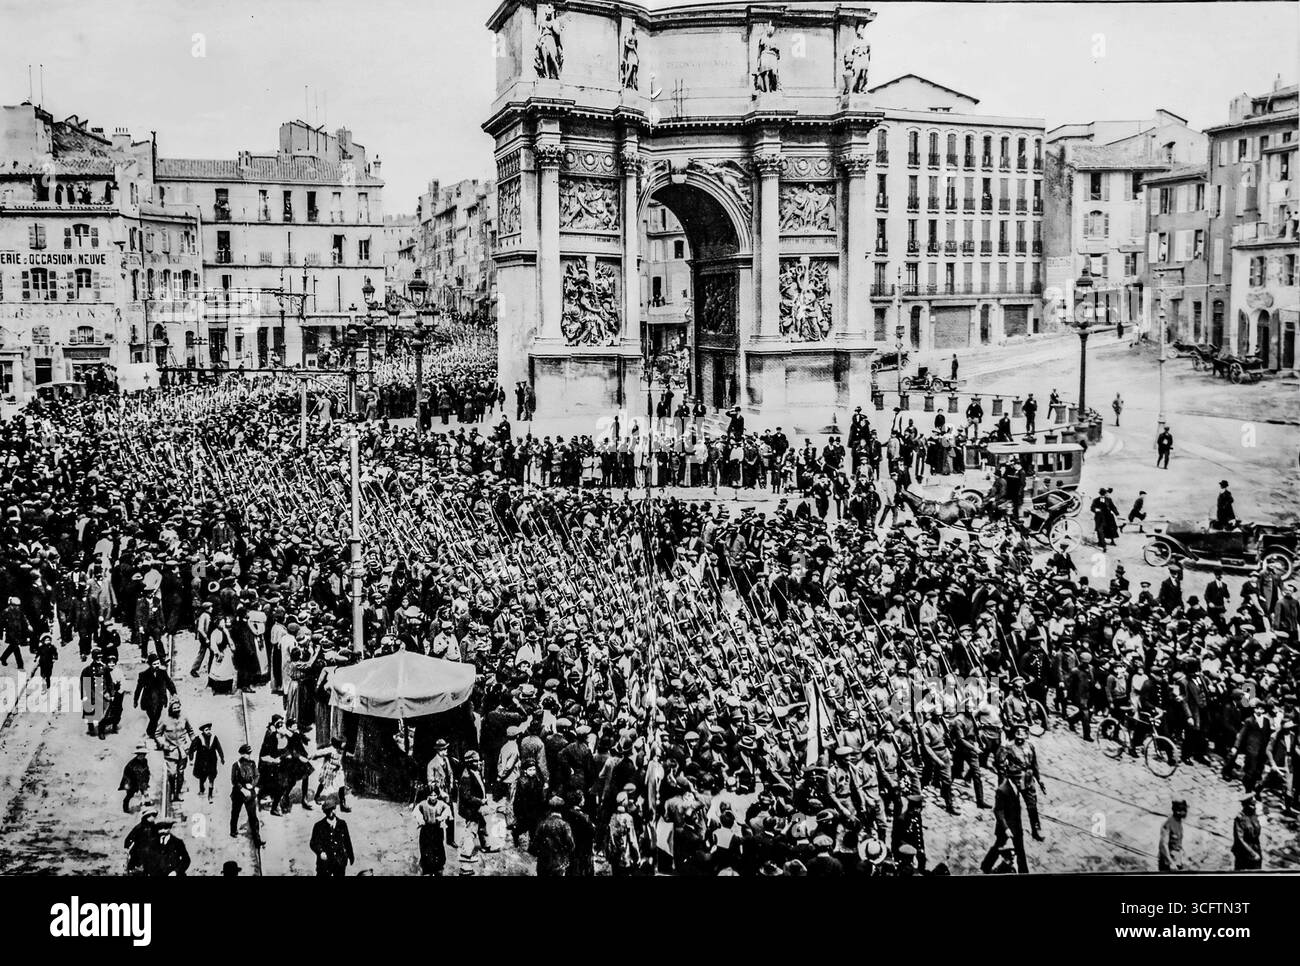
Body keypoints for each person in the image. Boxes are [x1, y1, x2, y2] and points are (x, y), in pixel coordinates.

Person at [980, 777, 1028, 874]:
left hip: (1017, 825)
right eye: (1019, 778)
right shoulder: (1002, 789)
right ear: (1012, 777)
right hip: (1005, 826)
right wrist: (1006, 828)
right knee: (999, 845)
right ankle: (986, 866)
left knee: (1020, 850)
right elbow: (998, 810)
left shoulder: (1017, 784)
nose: (1021, 780)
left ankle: (1024, 872)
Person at [413, 789, 454, 876]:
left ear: (437, 796)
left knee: (437, 848)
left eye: (435, 795)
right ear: (428, 796)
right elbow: (416, 811)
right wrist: (420, 820)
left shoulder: (440, 803)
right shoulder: (423, 804)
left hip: (437, 829)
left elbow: (448, 809)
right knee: (426, 848)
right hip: (426, 829)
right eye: (431, 795)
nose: (433, 798)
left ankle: (437, 868)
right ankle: (427, 869)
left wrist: (442, 817)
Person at [310, 799, 355, 876]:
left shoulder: (342, 824)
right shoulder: (319, 826)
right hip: (325, 863)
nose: (332, 812)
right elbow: (313, 843)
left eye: (333, 809)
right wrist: (320, 852)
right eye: (329, 810)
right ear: (325, 812)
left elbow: (347, 841)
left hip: (340, 861)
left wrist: (350, 856)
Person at [532, 797, 575, 876]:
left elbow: (534, 845)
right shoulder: (565, 825)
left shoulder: (543, 824)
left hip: (543, 864)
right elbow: (571, 845)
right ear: (562, 810)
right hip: (559, 864)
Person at [230, 742, 262, 848]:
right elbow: (234, 780)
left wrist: (252, 785)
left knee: (253, 817)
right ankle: (233, 831)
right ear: (242, 754)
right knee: (235, 813)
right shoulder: (236, 765)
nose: (249, 755)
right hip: (238, 794)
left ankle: (257, 840)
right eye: (247, 754)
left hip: (250, 794)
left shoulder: (252, 763)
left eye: (249, 753)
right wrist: (242, 789)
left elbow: (257, 775)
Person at [189, 722, 224, 802]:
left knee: (212, 778)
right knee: (202, 777)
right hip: (202, 762)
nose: (208, 731)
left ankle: (210, 795)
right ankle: (202, 789)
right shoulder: (198, 739)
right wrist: (191, 759)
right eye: (206, 730)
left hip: (212, 761)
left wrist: (222, 757)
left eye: (209, 729)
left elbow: (219, 748)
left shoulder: (214, 738)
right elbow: (191, 749)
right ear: (203, 731)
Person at [1231, 796, 1262, 870]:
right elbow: (1239, 839)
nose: (1254, 807)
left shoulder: (1254, 815)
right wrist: (1252, 853)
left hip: (1256, 848)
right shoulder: (1239, 819)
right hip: (1243, 852)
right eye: (1252, 805)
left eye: (1255, 804)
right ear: (1245, 805)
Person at [119, 743, 151, 813]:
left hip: (142, 781)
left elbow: (146, 770)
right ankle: (125, 808)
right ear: (138, 754)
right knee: (129, 795)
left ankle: (148, 805)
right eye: (141, 754)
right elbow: (126, 775)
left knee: (146, 793)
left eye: (144, 754)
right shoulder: (131, 764)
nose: (143, 755)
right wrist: (127, 785)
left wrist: (146, 779)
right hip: (133, 782)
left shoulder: (145, 761)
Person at [1157, 799, 1188, 871]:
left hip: (1176, 860)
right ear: (1177, 811)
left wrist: (1182, 853)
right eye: (1184, 810)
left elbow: (1177, 843)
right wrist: (1170, 862)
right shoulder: (1168, 824)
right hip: (1167, 863)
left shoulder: (1179, 822)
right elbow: (1163, 845)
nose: (1186, 812)